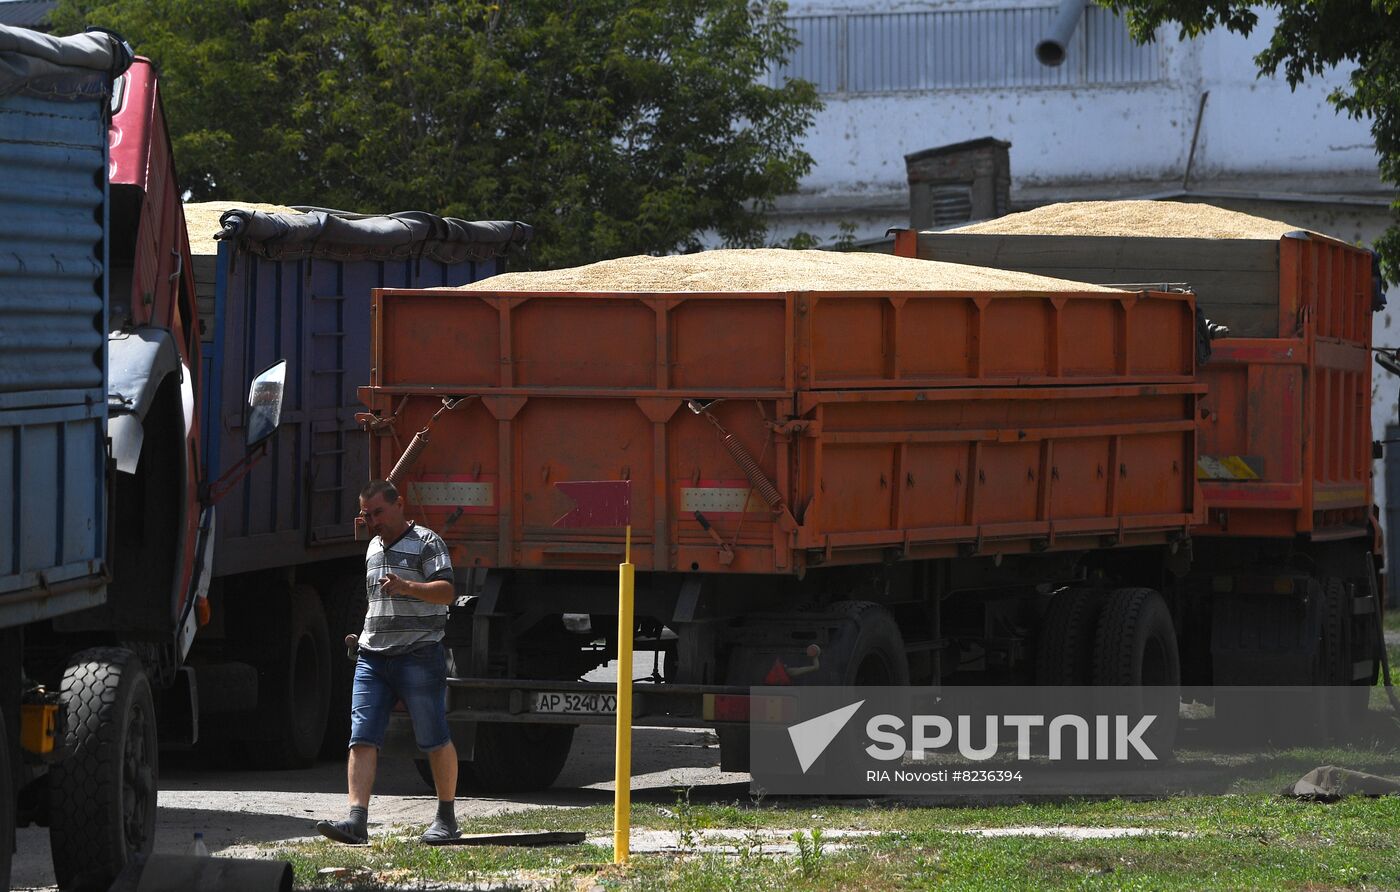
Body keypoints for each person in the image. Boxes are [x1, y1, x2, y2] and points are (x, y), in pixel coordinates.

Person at [315, 479, 461, 845]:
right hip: (372, 658)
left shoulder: (428, 543)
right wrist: (362, 635)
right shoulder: (373, 548)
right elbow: (376, 604)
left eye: (378, 512)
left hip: (419, 654)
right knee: (361, 737)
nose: (374, 521)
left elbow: (446, 593)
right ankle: (356, 821)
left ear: (399, 505)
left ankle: (446, 819)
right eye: (368, 514)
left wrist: (408, 586)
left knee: (433, 737)